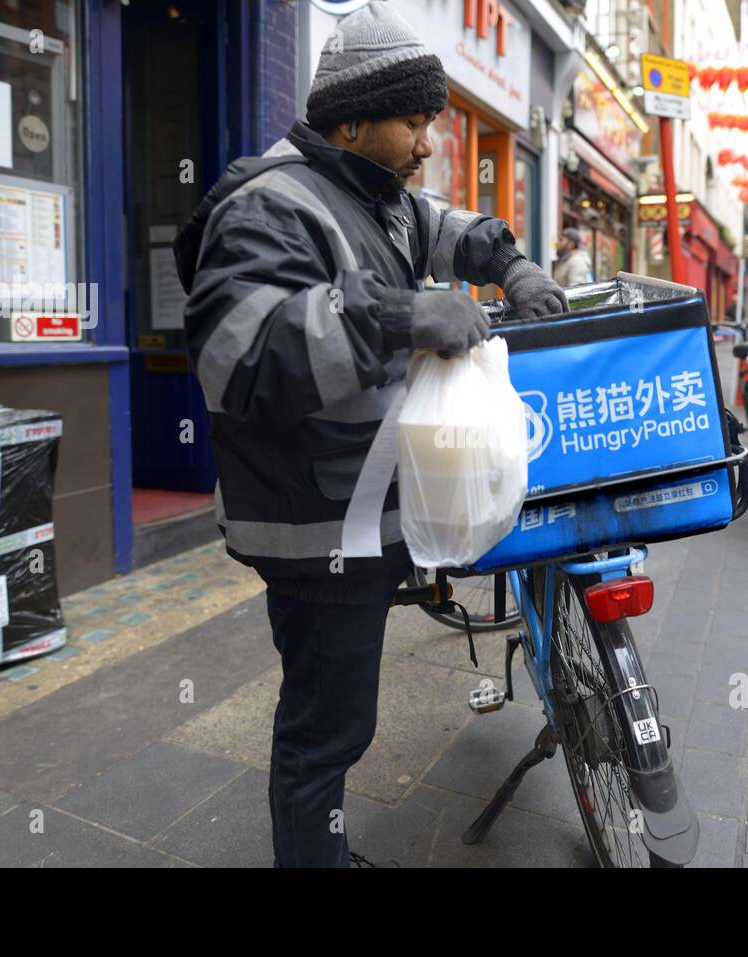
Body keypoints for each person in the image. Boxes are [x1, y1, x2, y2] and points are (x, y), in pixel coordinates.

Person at [174, 1, 567, 867]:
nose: (428, 144)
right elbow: (238, 361)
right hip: (315, 525)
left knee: (339, 713)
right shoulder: (272, 206)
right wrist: (398, 314)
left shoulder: (372, 192)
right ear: (350, 120)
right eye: (414, 123)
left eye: (433, 122)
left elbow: (443, 225)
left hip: (359, 507)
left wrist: (511, 263)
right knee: (328, 726)